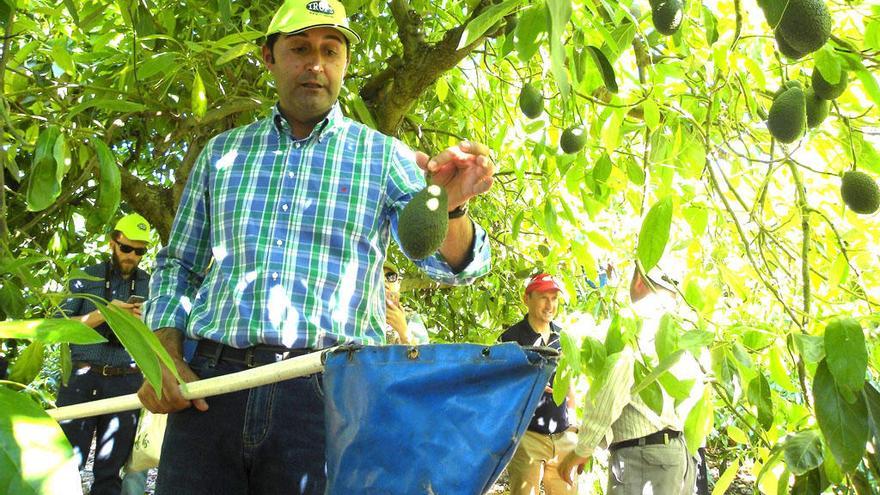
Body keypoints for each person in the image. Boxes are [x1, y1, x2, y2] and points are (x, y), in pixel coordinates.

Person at [137, 0, 494, 493]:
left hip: (328, 394)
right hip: (212, 389)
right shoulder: (222, 154)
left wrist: (450, 204)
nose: (316, 64)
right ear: (269, 57)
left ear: (345, 63)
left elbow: (450, 265)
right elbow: (178, 264)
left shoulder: (384, 155)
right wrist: (163, 353)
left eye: (331, 50)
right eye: (299, 48)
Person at [559, 265, 698, 495]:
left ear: (639, 281)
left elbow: (612, 387)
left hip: (643, 458)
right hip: (677, 453)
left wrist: (583, 448)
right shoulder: (684, 325)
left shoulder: (636, 320)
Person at [56, 213, 153, 495]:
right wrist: (104, 313)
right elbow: (59, 328)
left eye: (139, 251)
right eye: (126, 248)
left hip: (126, 380)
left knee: (111, 473)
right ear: (112, 242)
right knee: (65, 465)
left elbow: (160, 336)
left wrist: (142, 321)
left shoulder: (151, 284)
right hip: (82, 379)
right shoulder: (85, 277)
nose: (131, 256)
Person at [499, 273, 578, 495]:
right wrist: (529, 385)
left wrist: (574, 424)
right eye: (543, 297)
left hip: (562, 435)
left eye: (554, 298)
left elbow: (569, 382)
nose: (550, 305)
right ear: (527, 298)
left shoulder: (563, 338)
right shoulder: (510, 340)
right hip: (528, 436)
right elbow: (501, 391)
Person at [383, 260, 429, 344]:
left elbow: (424, 355)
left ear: (398, 283)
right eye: (377, 277)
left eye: (390, 277)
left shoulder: (409, 317)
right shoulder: (357, 313)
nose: (384, 281)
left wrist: (403, 331)